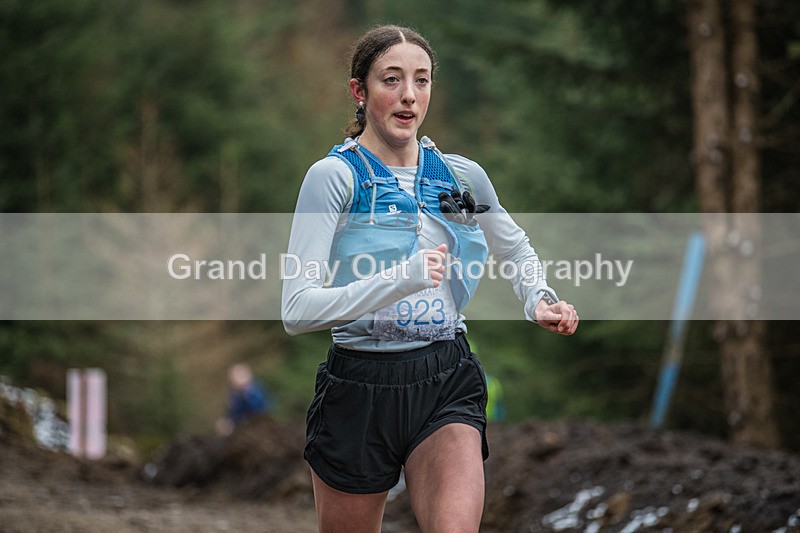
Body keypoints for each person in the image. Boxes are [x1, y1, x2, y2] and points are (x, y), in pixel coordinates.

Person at [281, 24, 578, 532]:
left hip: (445, 376)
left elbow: (515, 246)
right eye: (391, 80)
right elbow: (297, 310)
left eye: (421, 80)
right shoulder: (333, 178)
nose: (408, 96)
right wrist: (403, 278)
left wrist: (539, 298)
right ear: (359, 90)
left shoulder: (462, 176)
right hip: (359, 385)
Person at [215, 363, 271, 436]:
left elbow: (260, 410)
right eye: (233, 378)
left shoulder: (256, 392)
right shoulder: (234, 394)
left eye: (239, 376)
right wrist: (227, 421)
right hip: (240, 427)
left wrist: (246, 397)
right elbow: (232, 411)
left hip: (256, 426)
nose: (236, 381)